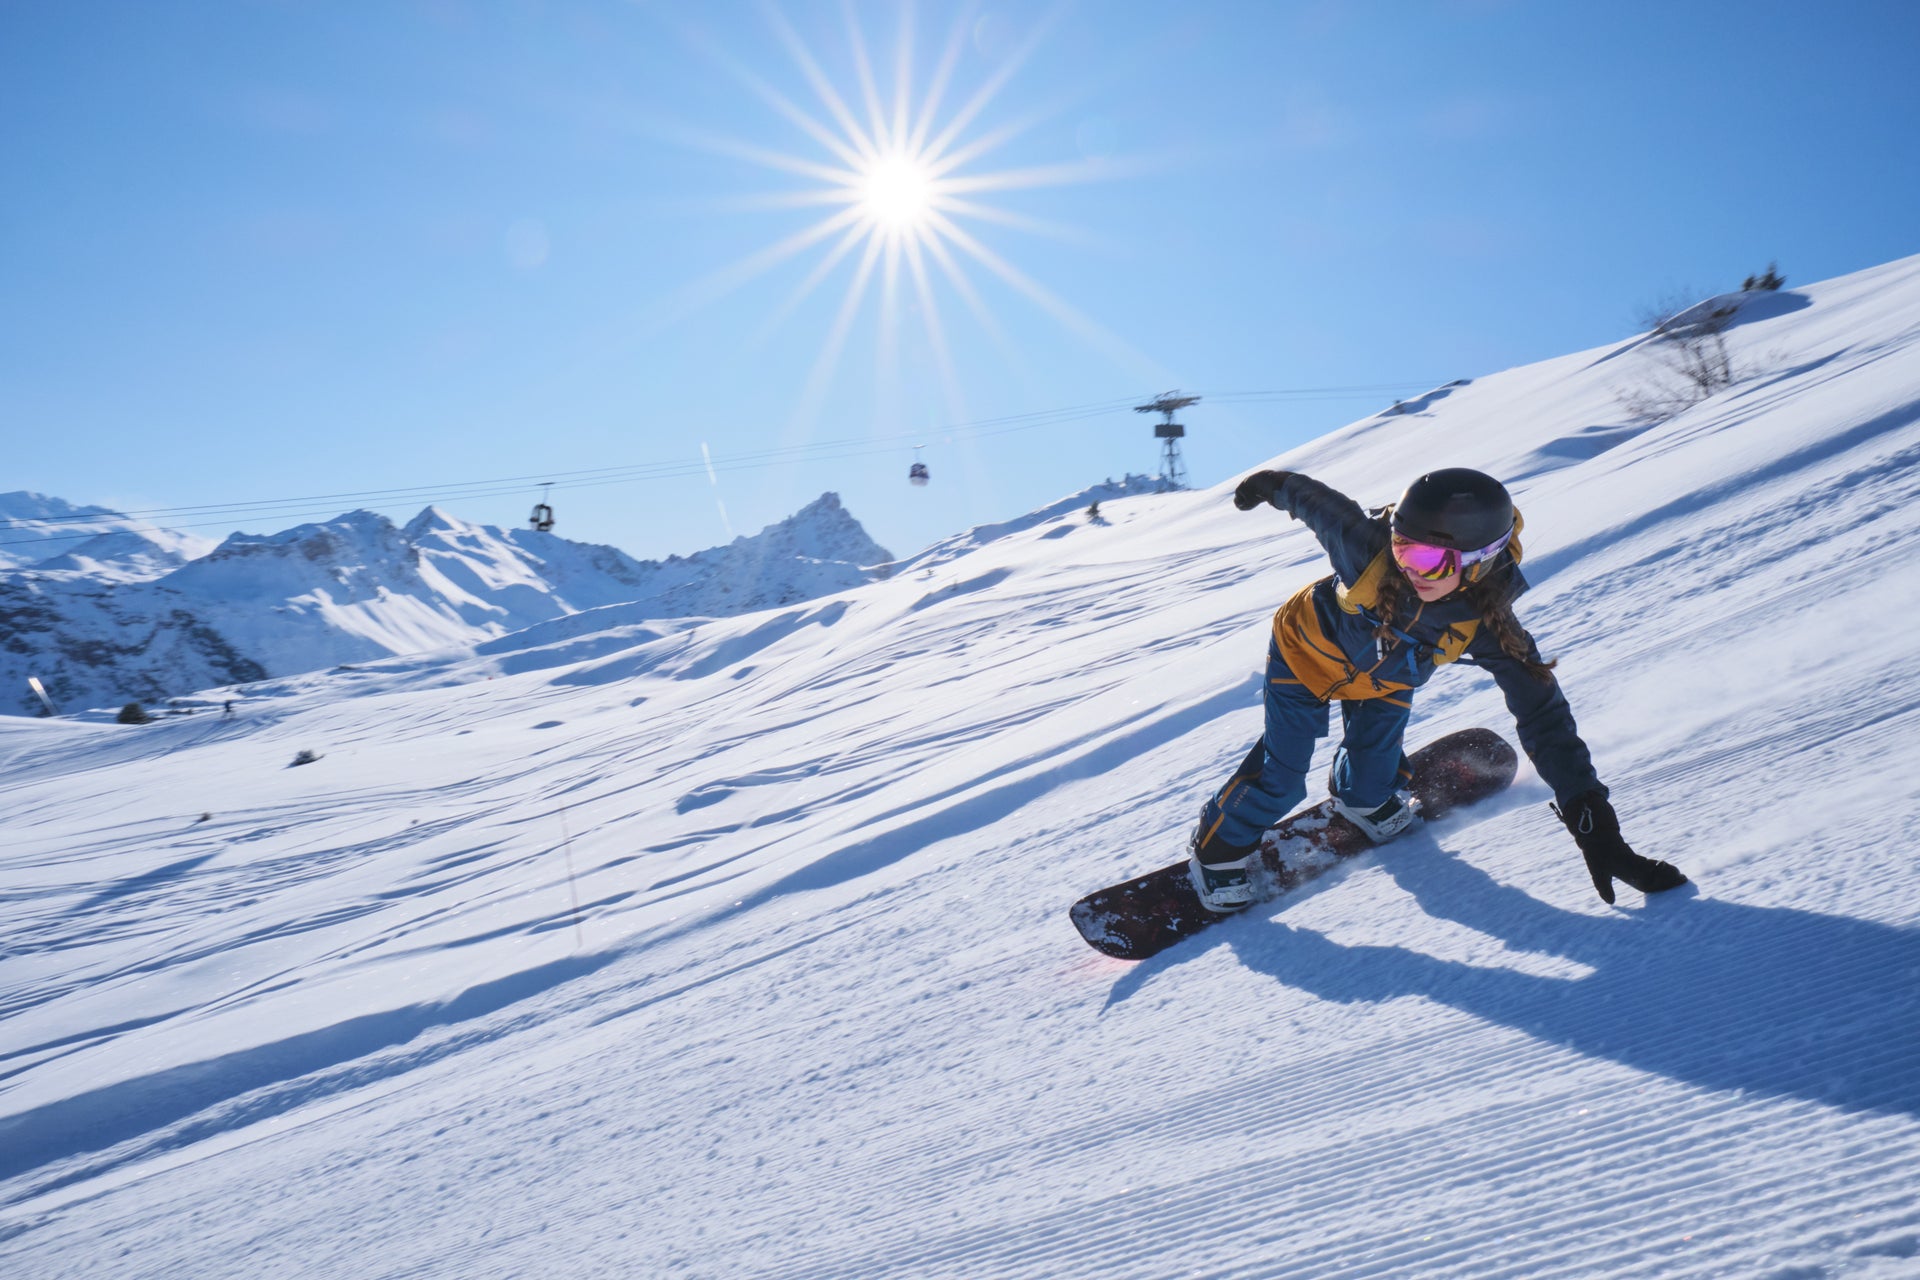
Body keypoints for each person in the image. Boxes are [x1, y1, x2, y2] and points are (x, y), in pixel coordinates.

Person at [1189, 466, 1687, 913]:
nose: (1408, 568)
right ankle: (1216, 850)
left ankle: (1361, 799)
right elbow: (1311, 499)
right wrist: (1268, 485)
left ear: (1479, 563)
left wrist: (1594, 824)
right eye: (1403, 547)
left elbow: (1545, 717)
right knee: (1283, 771)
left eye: (1430, 561)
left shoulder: (1491, 627)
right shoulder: (1367, 549)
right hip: (1303, 655)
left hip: (1386, 679)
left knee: (1374, 766)